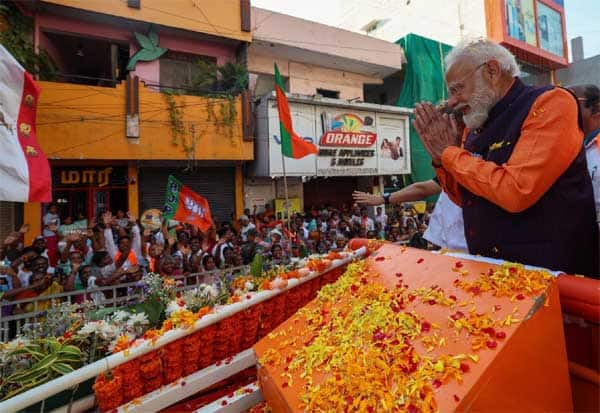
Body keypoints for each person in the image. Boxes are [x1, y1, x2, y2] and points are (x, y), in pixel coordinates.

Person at [413, 38, 598, 276]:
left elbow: (516, 190)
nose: (452, 101)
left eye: (458, 89)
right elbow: (468, 198)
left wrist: (449, 153)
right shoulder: (477, 124)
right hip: (495, 274)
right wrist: (440, 160)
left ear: (492, 71)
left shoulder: (550, 102)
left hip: (554, 276)